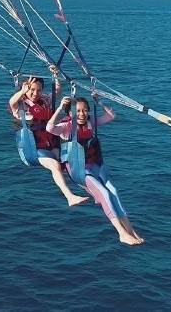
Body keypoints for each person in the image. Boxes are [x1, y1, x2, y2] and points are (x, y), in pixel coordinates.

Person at [47, 95, 144, 246]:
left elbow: (111, 116)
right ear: (71, 113)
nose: (82, 114)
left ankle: (130, 230)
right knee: (104, 193)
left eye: (85, 110)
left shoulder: (91, 124)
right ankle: (121, 233)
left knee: (113, 191)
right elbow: (50, 128)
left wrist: (99, 102)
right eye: (78, 111)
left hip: (95, 167)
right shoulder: (66, 128)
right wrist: (60, 107)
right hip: (78, 170)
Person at [8, 73, 90, 207]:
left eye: (38, 90)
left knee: (68, 166)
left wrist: (55, 75)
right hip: (33, 149)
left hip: (52, 143)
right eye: (31, 90)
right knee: (55, 166)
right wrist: (22, 91)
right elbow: (12, 102)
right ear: (26, 89)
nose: (35, 93)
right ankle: (70, 197)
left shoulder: (45, 99)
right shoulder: (21, 105)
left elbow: (57, 91)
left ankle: (90, 190)